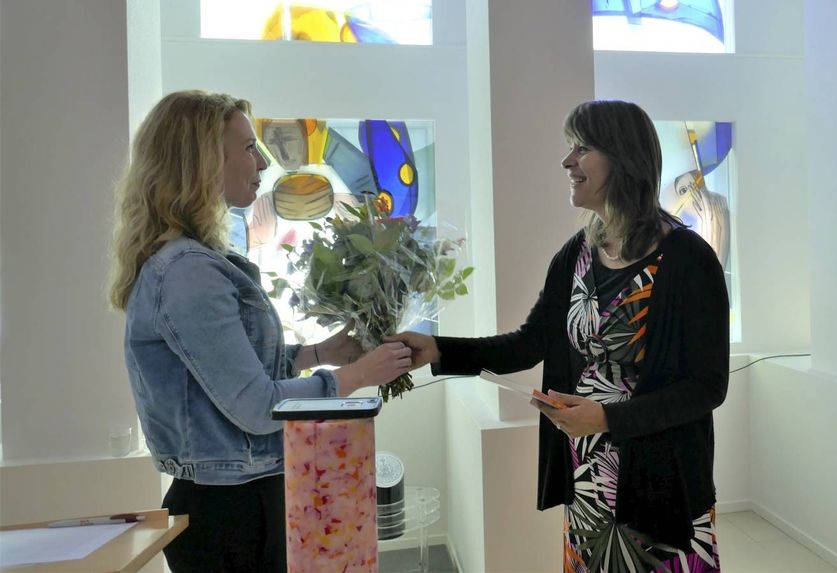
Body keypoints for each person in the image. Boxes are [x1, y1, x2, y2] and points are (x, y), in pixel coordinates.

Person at [393, 100, 729, 572]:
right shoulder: (576, 255)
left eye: (582, 148)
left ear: (624, 157)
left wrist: (609, 419)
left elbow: (707, 387)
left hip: (663, 484)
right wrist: (438, 348)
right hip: (588, 475)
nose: (567, 162)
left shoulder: (688, 260)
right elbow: (529, 343)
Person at [109, 90, 413, 573]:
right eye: (249, 147)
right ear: (205, 160)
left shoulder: (193, 262)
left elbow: (231, 372)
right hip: (230, 511)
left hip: (241, 495)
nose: (264, 161)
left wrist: (320, 352)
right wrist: (355, 377)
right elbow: (255, 406)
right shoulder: (188, 271)